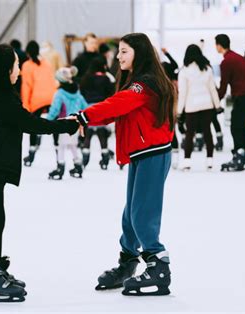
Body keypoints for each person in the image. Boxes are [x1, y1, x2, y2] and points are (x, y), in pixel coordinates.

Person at [0, 44, 78, 302]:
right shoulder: (2, 98)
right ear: (5, 70)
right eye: (15, 64)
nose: (19, 68)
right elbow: (30, 124)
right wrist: (66, 126)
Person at [73, 33, 175, 296]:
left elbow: (118, 104)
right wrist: (86, 120)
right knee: (130, 214)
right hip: (143, 152)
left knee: (143, 214)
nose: (118, 57)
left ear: (138, 54)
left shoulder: (145, 84)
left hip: (153, 152)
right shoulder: (136, 81)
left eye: (124, 52)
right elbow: (117, 112)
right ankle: (128, 262)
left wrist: (85, 116)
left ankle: (158, 265)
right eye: (119, 52)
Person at [215, 34, 245, 171]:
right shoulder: (239, 57)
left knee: (236, 126)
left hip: (242, 96)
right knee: (243, 126)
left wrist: (217, 100)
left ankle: (239, 155)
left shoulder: (227, 61)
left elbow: (223, 84)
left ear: (219, 45)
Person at [177, 44, 222, 170]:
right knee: (207, 132)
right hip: (206, 105)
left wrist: (179, 111)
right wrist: (217, 105)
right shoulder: (206, 69)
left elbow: (183, 93)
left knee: (189, 133)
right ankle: (209, 160)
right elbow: (212, 89)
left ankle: (187, 161)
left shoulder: (184, 71)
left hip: (191, 106)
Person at [20, 40, 58, 166]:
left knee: (33, 127)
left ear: (28, 53)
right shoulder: (46, 63)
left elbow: (26, 87)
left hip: (37, 100)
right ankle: (59, 156)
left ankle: (31, 155)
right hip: (52, 98)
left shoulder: (26, 65)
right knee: (55, 126)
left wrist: (25, 106)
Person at [46, 66, 88, 179]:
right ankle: (78, 166)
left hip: (64, 123)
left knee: (61, 146)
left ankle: (60, 167)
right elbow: (85, 106)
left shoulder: (60, 93)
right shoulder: (77, 92)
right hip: (76, 124)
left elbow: (55, 109)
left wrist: (47, 121)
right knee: (73, 145)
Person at [79, 57, 116, 169]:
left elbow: (82, 92)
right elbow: (111, 93)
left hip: (89, 108)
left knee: (88, 134)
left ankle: (85, 158)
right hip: (101, 108)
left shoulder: (86, 78)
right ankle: (105, 158)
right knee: (102, 134)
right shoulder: (105, 79)